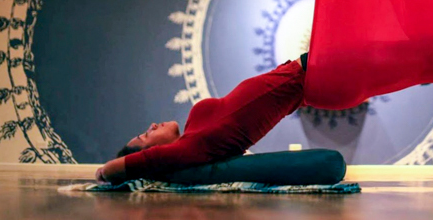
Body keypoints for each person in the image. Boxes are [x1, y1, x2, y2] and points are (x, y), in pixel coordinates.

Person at [95, 53, 309, 184]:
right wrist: (107, 170)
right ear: (155, 151)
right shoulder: (191, 149)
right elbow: (148, 161)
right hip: (302, 78)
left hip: (298, 78)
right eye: (145, 136)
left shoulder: (194, 136)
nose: (151, 126)